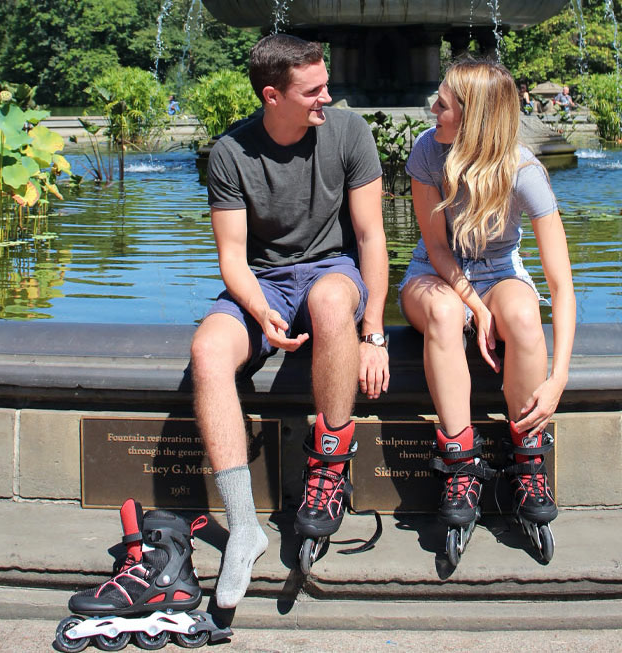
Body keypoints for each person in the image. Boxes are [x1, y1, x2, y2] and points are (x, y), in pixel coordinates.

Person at [190, 33, 389, 608]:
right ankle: (244, 526)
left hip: (332, 270)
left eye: (326, 83)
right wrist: (261, 312)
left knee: (331, 303)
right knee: (207, 351)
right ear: (272, 95)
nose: (329, 95)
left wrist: (372, 330)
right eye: (315, 90)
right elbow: (232, 256)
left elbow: (373, 237)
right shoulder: (231, 152)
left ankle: (327, 469)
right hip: (263, 281)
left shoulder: (349, 131)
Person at [398, 59, 575, 558]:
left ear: (472, 116)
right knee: (444, 315)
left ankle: (528, 459)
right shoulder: (427, 153)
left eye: (443, 104)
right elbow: (435, 247)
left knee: (522, 313)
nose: (432, 109)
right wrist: (474, 305)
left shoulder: (524, 172)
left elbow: (560, 286)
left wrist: (558, 378)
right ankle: (460, 465)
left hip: (501, 271)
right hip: (436, 272)